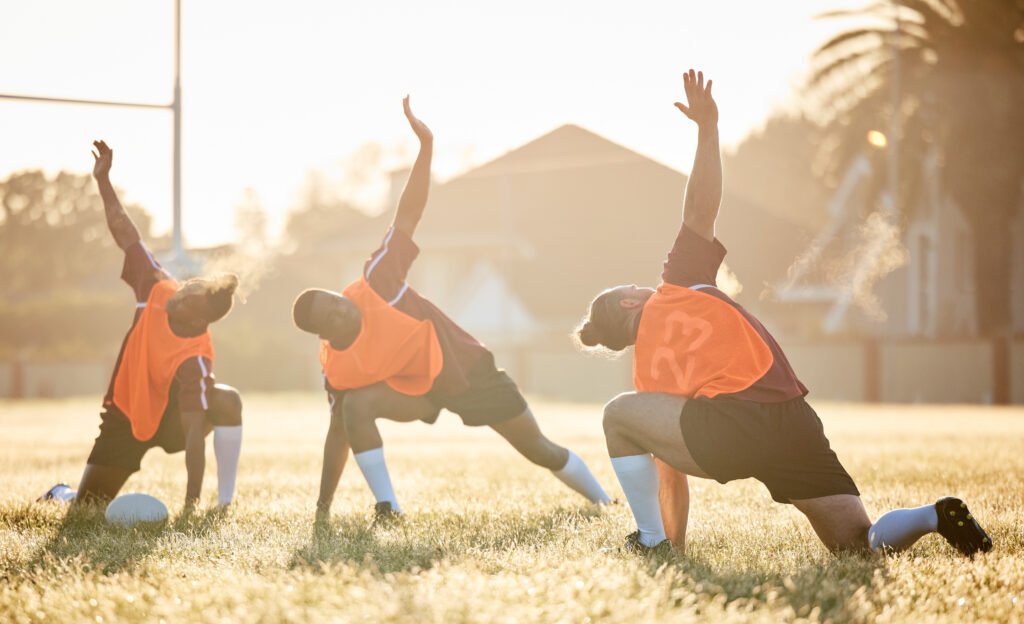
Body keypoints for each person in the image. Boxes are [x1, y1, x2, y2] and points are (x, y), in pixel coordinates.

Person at [575, 70, 993, 558]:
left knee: (617, 415)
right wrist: (708, 130)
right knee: (859, 544)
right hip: (792, 416)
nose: (639, 283)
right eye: (630, 286)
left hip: (732, 426)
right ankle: (930, 515)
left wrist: (674, 546)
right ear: (629, 302)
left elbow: (671, 477)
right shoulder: (678, 282)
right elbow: (700, 210)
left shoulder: (650, 379)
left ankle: (650, 542)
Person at [292, 97, 611, 521]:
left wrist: (425, 149)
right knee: (354, 408)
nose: (342, 312)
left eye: (336, 302)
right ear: (323, 335)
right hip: (418, 393)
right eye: (330, 317)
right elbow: (338, 435)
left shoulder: (378, 283)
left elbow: (408, 215)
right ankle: (389, 508)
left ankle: (605, 502)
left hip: (468, 371)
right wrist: (322, 509)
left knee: (539, 449)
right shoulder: (337, 365)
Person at [38, 140, 244, 509]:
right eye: (187, 285)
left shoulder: (196, 356)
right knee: (87, 510)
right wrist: (104, 182)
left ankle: (226, 502)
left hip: (172, 421)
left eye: (188, 296)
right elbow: (126, 234)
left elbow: (195, 434)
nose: (178, 292)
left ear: (198, 319)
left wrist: (191, 505)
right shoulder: (156, 286)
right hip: (126, 412)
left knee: (227, 399)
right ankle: (61, 494)